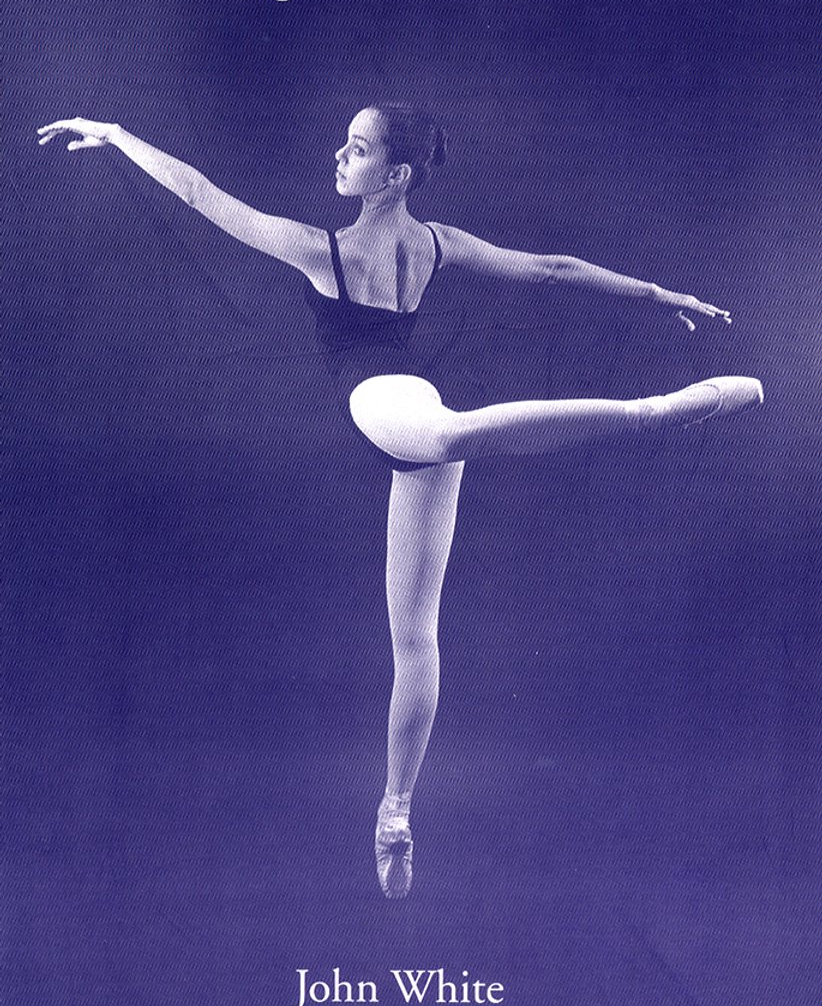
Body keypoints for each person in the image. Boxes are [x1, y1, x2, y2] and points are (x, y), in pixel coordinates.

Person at [37, 105, 763, 899]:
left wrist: (119, 137)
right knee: (415, 632)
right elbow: (552, 269)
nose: (338, 155)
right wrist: (658, 294)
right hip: (409, 402)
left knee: (447, 453)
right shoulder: (433, 243)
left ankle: (654, 412)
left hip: (392, 409)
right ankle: (395, 810)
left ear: (396, 174)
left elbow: (200, 194)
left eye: (357, 148)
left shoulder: (323, 250)